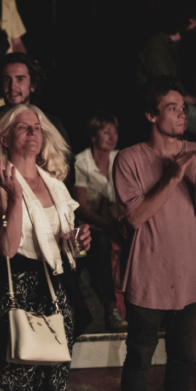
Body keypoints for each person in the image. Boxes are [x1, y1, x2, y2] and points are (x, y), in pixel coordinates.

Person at [0, 104, 88, 391]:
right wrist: (16, 198)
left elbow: (65, 248)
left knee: (52, 384)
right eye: (23, 127)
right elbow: (7, 248)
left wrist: (79, 243)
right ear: (4, 138)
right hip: (17, 291)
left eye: (36, 128)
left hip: (56, 291)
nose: (33, 132)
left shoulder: (56, 185)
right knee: (15, 383)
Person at [113, 76, 196, 391]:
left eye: (183, 107)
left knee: (182, 358)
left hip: (189, 279)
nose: (181, 114)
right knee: (139, 359)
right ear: (151, 115)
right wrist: (171, 178)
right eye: (172, 108)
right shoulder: (129, 158)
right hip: (147, 278)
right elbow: (135, 217)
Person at [0, 53, 72, 187]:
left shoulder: (52, 124)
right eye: (7, 79)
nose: (12, 86)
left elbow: (68, 173)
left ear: (33, 85)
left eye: (20, 79)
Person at [136, 0, 196, 152]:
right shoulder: (157, 46)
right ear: (181, 19)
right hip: (161, 108)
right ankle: (187, 163)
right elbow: (169, 90)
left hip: (171, 105)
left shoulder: (171, 45)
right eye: (194, 19)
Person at [72, 111, 127, 332]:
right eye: (106, 132)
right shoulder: (81, 162)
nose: (113, 137)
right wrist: (108, 224)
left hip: (115, 222)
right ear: (94, 136)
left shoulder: (120, 157)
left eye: (115, 132)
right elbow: (81, 207)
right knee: (98, 243)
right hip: (85, 226)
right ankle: (110, 309)